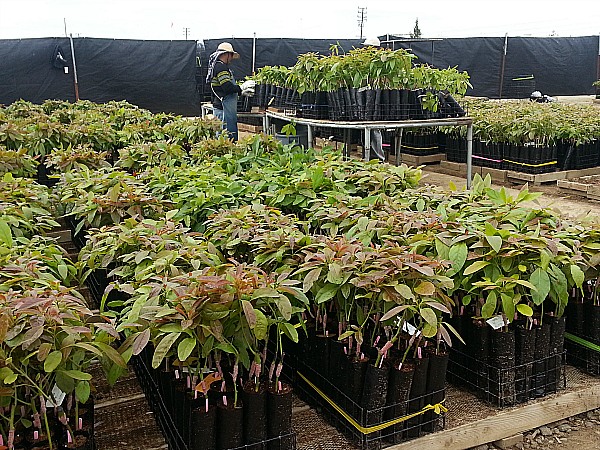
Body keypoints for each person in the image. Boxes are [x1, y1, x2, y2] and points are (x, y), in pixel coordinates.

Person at [206, 42, 255, 141]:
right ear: (225, 54)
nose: (232, 58)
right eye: (231, 55)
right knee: (226, 134)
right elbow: (227, 87)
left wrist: (240, 92)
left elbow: (223, 87)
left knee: (220, 135)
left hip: (219, 105)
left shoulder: (217, 66)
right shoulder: (221, 68)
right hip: (223, 106)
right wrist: (241, 87)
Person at [362, 37, 386, 162]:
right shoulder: (366, 62)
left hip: (376, 98)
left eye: (368, 48)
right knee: (367, 129)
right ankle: (369, 157)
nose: (365, 50)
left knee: (375, 129)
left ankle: (379, 159)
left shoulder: (381, 62)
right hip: (366, 97)